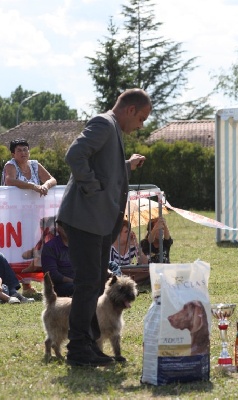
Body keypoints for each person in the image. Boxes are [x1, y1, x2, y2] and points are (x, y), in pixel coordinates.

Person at [57, 88, 152, 367]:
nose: (141, 125)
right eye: (142, 118)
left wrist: (126, 165)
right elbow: (75, 155)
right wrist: (92, 189)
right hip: (85, 220)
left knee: (95, 283)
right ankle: (78, 350)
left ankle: (90, 345)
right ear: (131, 110)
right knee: (88, 284)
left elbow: (104, 168)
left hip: (95, 222)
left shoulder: (112, 130)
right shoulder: (104, 123)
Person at [1, 138, 57, 297]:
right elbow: (9, 180)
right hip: (13, 215)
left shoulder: (35, 164)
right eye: (19, 150)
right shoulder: (10, 165)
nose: (23, 153)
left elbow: (52, 179)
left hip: (34, 214)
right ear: (13, 153)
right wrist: (33, 186)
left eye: (25, 149)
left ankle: (27, 285)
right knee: (15, 247)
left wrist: (45, 186)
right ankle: (14, 283)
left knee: (31, 245)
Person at [41, 224, 75, 297]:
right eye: (65, 227)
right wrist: (75, 282)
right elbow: (52, 275)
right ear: (58, 228)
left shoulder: (82, 246)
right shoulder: (50, 247)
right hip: (61, 286)